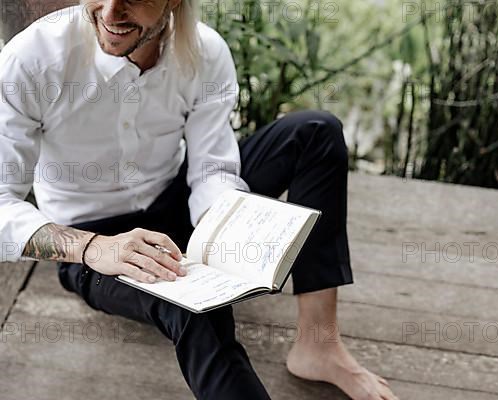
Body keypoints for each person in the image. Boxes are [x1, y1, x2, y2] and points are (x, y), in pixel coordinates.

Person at [0, 1, 397, 399]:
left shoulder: (205, 50)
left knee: (315, 131)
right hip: (92, 242)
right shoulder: (32, 60)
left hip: (177, 200)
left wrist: (227, 229)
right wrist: (91, 247)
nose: (109, 13)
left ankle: (318, 345)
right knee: (194, 304)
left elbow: (211, 172)